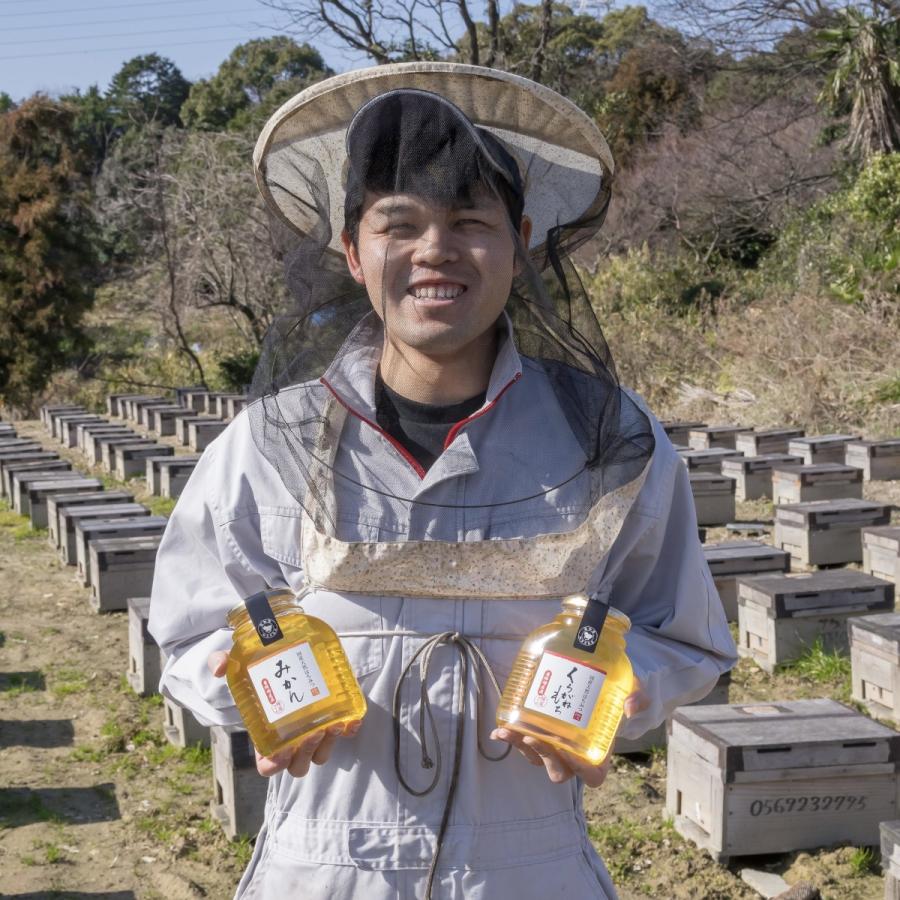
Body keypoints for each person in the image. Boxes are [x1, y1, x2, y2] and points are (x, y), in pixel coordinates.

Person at [149, 62, 737, 899]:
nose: (436, 251)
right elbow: (188, 631)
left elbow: (686, 636)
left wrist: (615, 686)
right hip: (322, 869)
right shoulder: (266, 443)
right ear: (353, 252)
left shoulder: (611, 440)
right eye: (400, 224)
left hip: (529, 870)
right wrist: (247, 689)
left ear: (521, 240)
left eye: (470, 221)